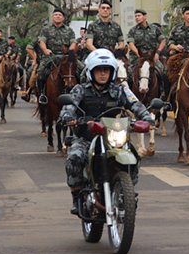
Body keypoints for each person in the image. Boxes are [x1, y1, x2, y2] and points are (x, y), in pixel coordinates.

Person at [60, 49, 155, 215]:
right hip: (87, 137)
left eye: (106, 70)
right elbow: (68, 107)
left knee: (133, 155)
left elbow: (136, 104)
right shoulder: (80, 90)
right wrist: (68, 116)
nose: (103, 74)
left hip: (112, 138)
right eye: (99, 70)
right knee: (74, 158)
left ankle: (128, 192)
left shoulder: (119, 90)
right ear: (91, 71)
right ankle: (77, 197)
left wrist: (147, 118)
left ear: (112, 72)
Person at [36, 8, 79, 104]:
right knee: (41, 72)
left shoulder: (69, 30)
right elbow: (42, 41)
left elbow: (73, 42)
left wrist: (70, 52)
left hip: (66, 55)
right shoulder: (46, 29)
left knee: (81, 69)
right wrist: (45, 50)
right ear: (52, 17)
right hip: (51, 55)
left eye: (60, 15)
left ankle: (81, 93)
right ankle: (42, 94)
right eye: (56, 15)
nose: (58, 16)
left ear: (63, 18)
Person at [127, 8, 166, 89]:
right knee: (128, 72)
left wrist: (157, 53)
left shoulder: (154, 28)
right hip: (137, 57)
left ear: (145, 17)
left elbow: (163, 41)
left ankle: (164, 93)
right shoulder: (133, 30)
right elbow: (131, 44)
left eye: (139, 16)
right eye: (135, 16)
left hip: (152, 57)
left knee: (163, 72)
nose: (137, 18)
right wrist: (138, 54)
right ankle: (128, 92)